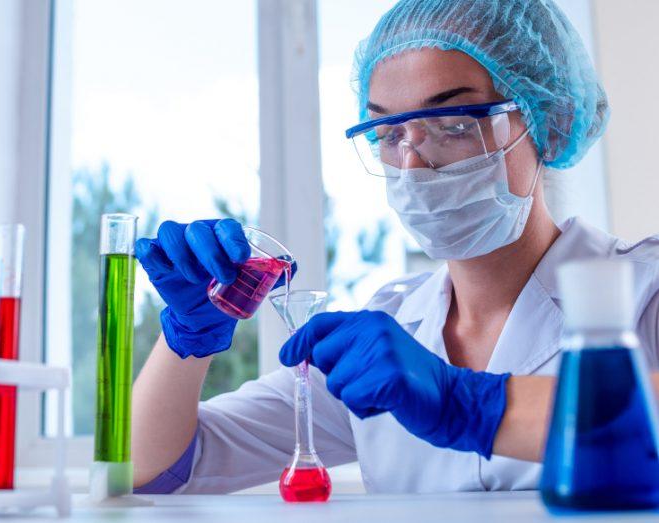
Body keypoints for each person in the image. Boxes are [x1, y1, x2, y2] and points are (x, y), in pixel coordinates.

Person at [131, 0, 659, 494]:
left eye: (453, 124)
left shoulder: (644, 292)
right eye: (388, 134)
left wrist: (471, 406)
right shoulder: (391, 334)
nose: (410, 165)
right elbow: (152, 469)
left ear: (550, 122)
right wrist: (186, 340)